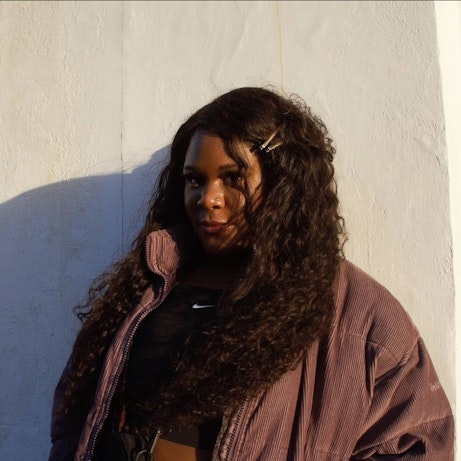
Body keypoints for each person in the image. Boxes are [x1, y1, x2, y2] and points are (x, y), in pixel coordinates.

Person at [49, 87, 454, 461]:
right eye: (195, 180)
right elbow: (76, 418)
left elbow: (417, 444)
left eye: (233, 178)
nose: (208, 198)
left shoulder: (358, 318)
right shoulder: (149, 282)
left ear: (282, 185)